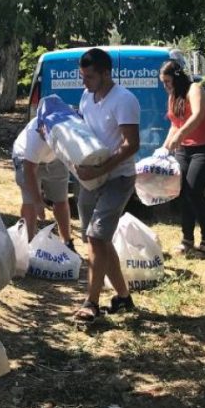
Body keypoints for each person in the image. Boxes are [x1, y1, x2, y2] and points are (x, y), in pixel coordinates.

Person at [73, 48, 140, 324]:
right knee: (97, 239)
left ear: (106, 73)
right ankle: (123, 298)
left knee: (97, 237)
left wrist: (101, 168)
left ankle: (91, 303)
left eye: (89, 77)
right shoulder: (87, 97)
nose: (84, 82)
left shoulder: (124, 100)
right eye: (82, 76)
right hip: (90, 179)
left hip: (118, 178)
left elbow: (131, 144)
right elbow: (83, 132)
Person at [159, 59, 205, 258]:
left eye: (168, 82)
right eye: (164, 83)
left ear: (177, 78)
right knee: (182, 191)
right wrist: (164, 148)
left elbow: (196, 117)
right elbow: (174, 125)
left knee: (194, 191)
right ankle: (187, 240)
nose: (166, 86)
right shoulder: (173, 96)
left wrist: (180, 135)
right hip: (184, 151)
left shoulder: (194, 89)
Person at [12, 116, 74, 248]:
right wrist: (38, 201)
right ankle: (28, 245)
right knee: (31, 203)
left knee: (61, 200)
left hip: (54, 159)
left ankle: (67, 242)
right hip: (25, 158)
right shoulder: (36, 137)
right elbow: (29, 171)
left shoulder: (73, 131)